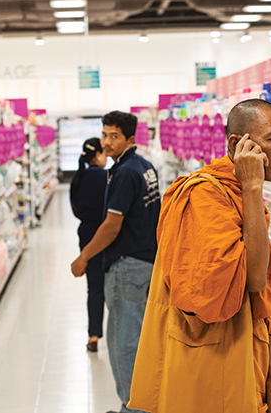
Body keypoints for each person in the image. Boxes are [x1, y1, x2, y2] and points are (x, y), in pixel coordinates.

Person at [128, 98, 271, 413]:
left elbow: (263, 301)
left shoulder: (243, 194)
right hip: (206, 362)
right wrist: (253, 188)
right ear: (236, 143)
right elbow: (254, 280)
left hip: (250, 356)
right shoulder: (204, 196)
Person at [71, 111, 161, 413]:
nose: (107, 142)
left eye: (114, 136)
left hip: (127, 266)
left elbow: (111, 225)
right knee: (138, 339)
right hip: (147, 260)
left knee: (124, 343)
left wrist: (84, 257)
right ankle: (142, 403)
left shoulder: (124, 173)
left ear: (130, 139)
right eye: (104, 134)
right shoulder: (145, 167)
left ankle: (132, 408)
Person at [70, 137, 108, 353]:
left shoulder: (78, 178)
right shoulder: (107, 177)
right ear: (97, 155)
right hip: (106, 233)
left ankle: (93, 336)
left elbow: (75, 210)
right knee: (111, 285)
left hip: (85, 233)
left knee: (94, 287)